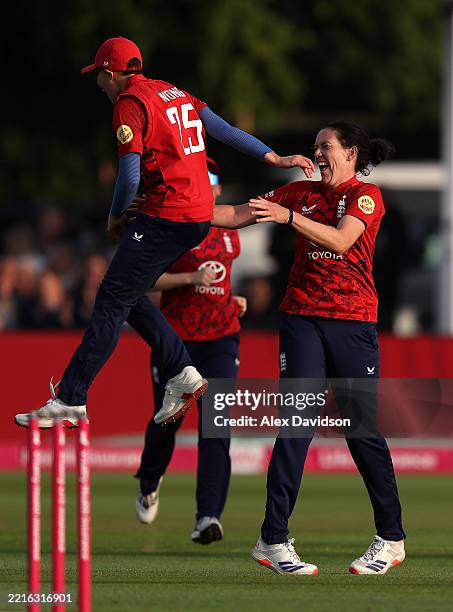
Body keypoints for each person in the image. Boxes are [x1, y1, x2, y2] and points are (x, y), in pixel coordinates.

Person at [14, 36, 314, 429]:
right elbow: (222, 130)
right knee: (128, 291)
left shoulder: (129, 103)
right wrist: (272, 156)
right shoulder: (174, 92)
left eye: (100, 78)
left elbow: (129, 174)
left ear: (110, 73)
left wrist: (115, 217)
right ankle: (180, 372)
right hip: (197, 217)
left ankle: (72, 398)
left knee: (110, 299)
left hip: (167, 214)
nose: (100, 85)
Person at [212, 121, 406, 575]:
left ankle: (391, 538)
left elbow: (341, 240)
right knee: (295, 425)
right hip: (301, 318)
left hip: (353, 323)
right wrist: (174, 212)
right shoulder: (297, 193)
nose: (317, 154)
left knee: (361, 431)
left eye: (326, 147)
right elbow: (235, 214)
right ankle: (272, 540)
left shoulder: (365, 196)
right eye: (315, 147)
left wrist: (290, 220)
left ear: (352, 152)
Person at [135, 157, 245, 544]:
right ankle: (149, 480)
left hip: (221, 337)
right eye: (203, 177)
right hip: (177, 341)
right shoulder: (175, 228)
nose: (209, 184)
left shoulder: (231, 234)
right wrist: (190, 278)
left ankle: (208, 517)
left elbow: (220, 282)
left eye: (213, 178)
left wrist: (235, 299)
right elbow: (146, 280)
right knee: (168, 421)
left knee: (217, 426)